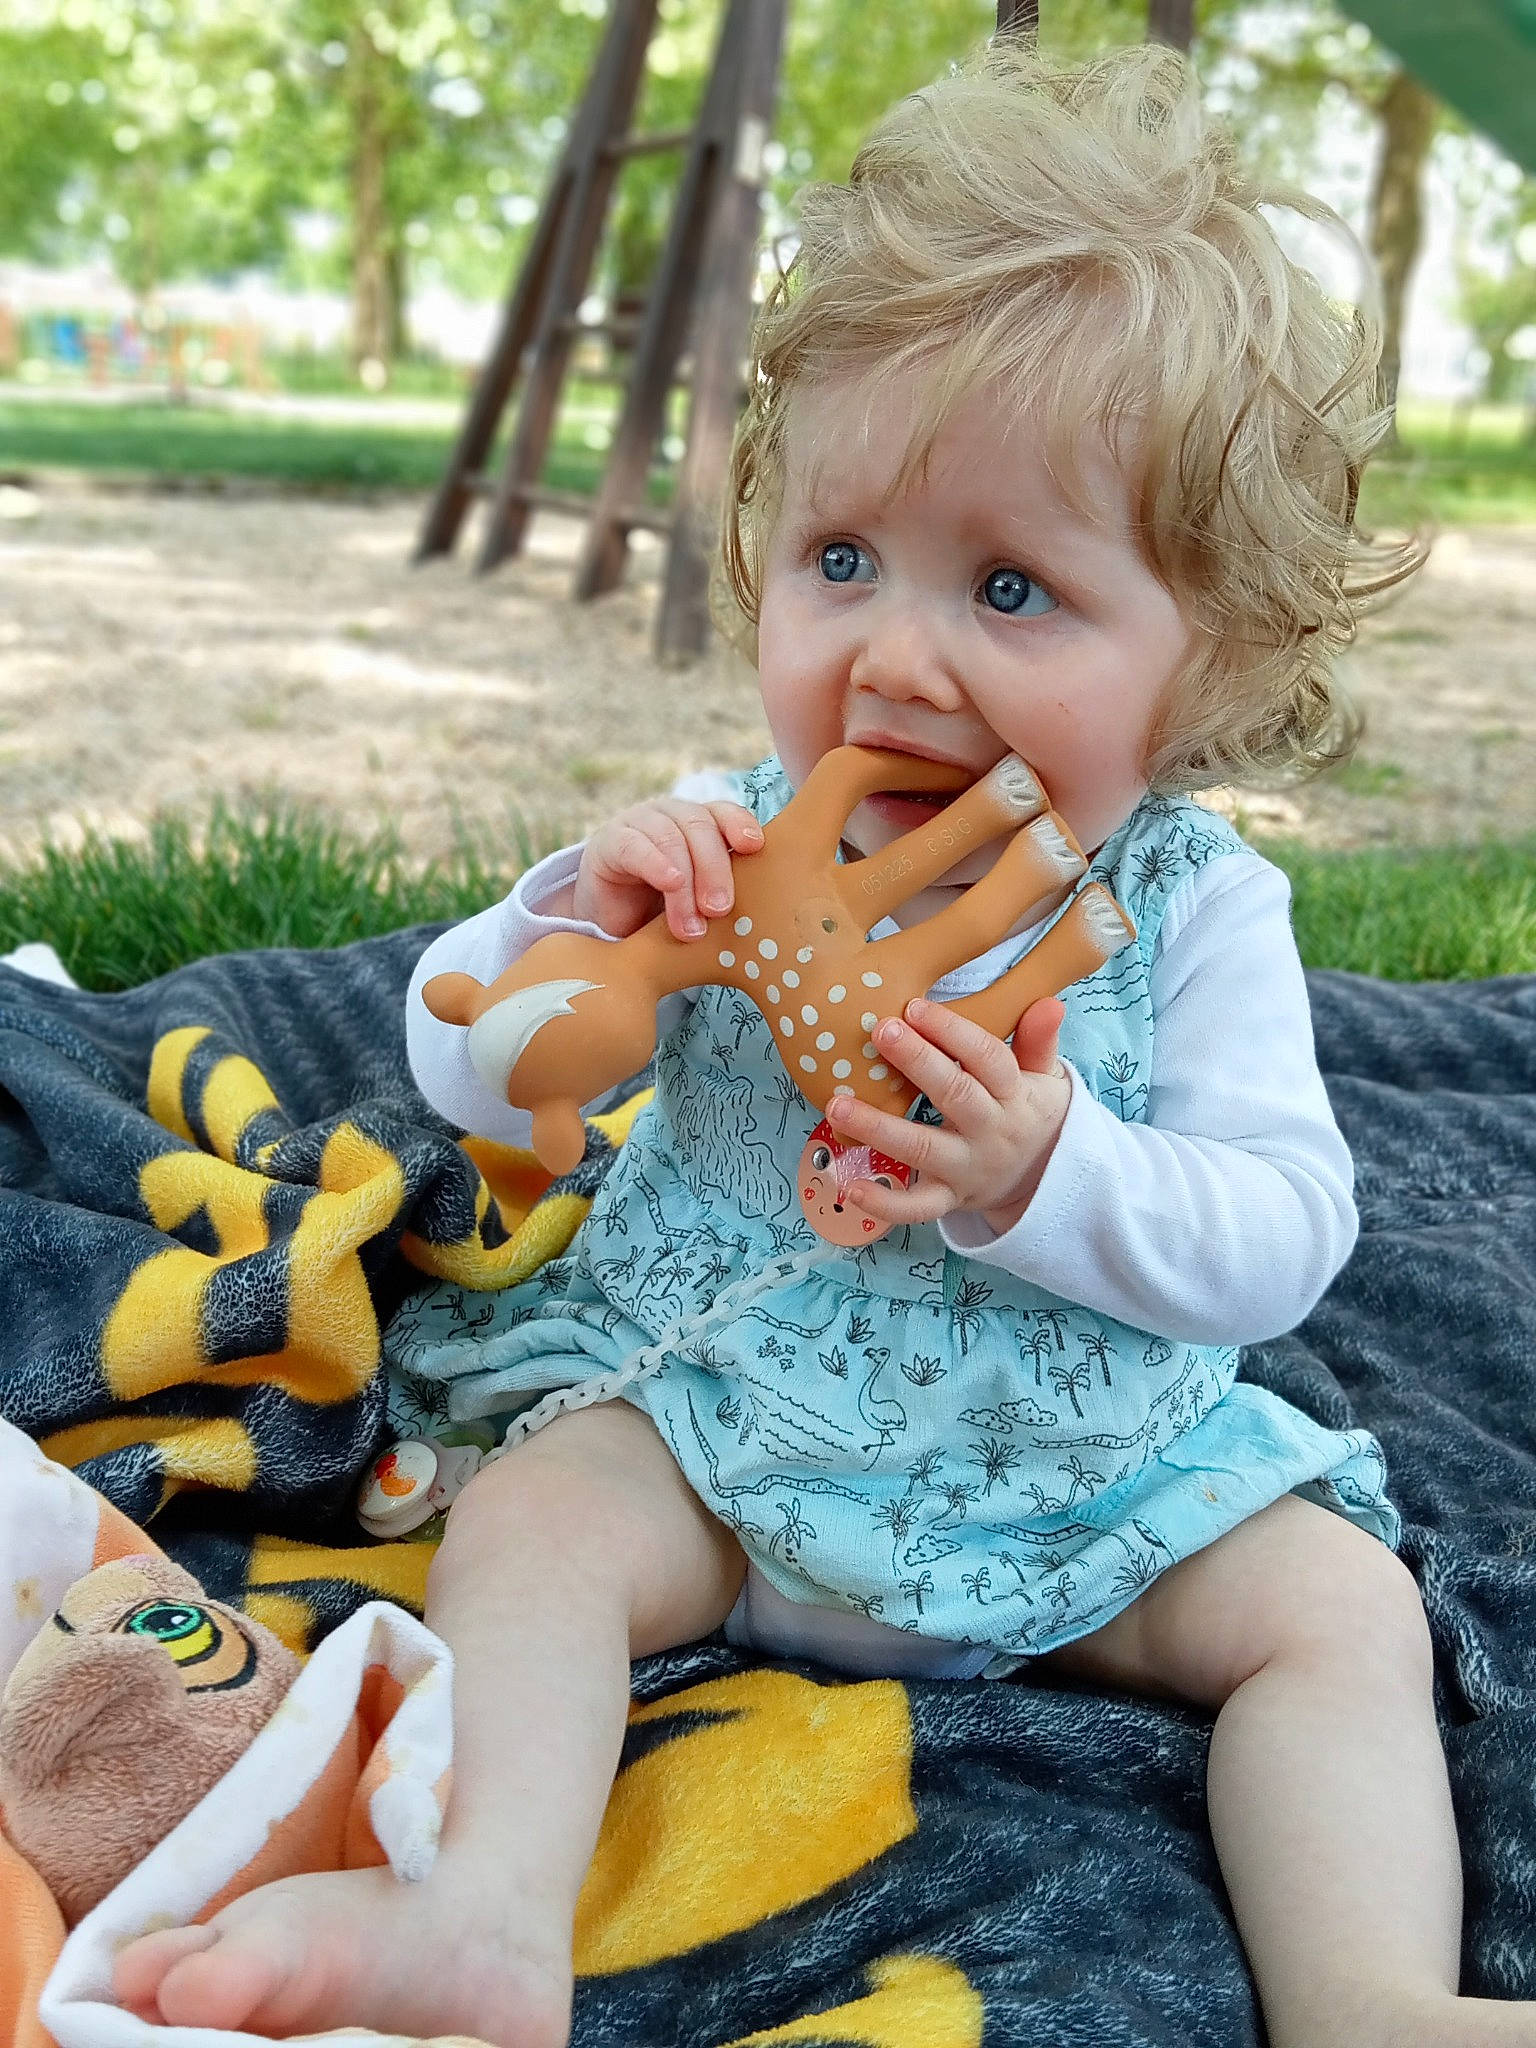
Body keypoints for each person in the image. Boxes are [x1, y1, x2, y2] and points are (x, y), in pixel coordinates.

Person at [114, 37, 1513, 2048]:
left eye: (1014, 585)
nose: (896, 650)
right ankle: (489, 1913)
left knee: (1341, 1614)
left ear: (1202, 655)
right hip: (716, 1428)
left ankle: (1367, 1994)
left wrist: (1051, 1174)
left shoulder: (1202, 917)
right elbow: (466, 1070)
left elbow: (1284, 1232)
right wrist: (566, 938)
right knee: (534, 1521)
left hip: (1083, 1477)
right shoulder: (721, 834)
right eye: (842, 558)